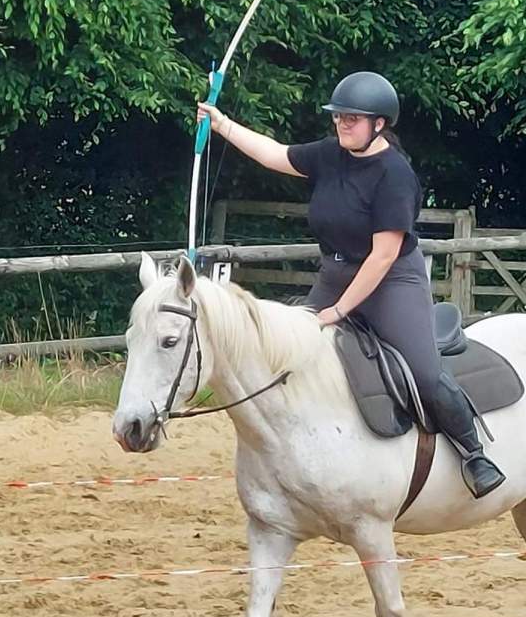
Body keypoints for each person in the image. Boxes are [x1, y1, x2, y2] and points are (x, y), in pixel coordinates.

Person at [197, 71, 505, 498]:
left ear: (379, 124)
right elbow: (275, 155)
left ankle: (474, 454)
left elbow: (382, 256)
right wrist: (221, 124)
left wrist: (338, 312)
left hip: (392, 281)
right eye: (338, 116)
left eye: (353, 118)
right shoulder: (329, 155)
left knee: (424, 371)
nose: (342, 123)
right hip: (335, 274)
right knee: (292, 355)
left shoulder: (395, 175)